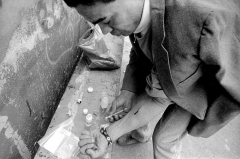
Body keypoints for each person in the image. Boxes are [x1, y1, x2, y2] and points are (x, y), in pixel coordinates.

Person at [63, 0, 240, 158]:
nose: (105, 32)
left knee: (164, 138)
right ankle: (139, 133)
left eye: (106, 21)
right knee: (139, 93)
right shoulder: (137, 13)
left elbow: (158, 98)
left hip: (203, 86)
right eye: (97, 24)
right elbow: (140, 51)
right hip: (179, 75)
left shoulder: (187, 27)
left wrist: (107, 135)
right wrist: (128, 90)